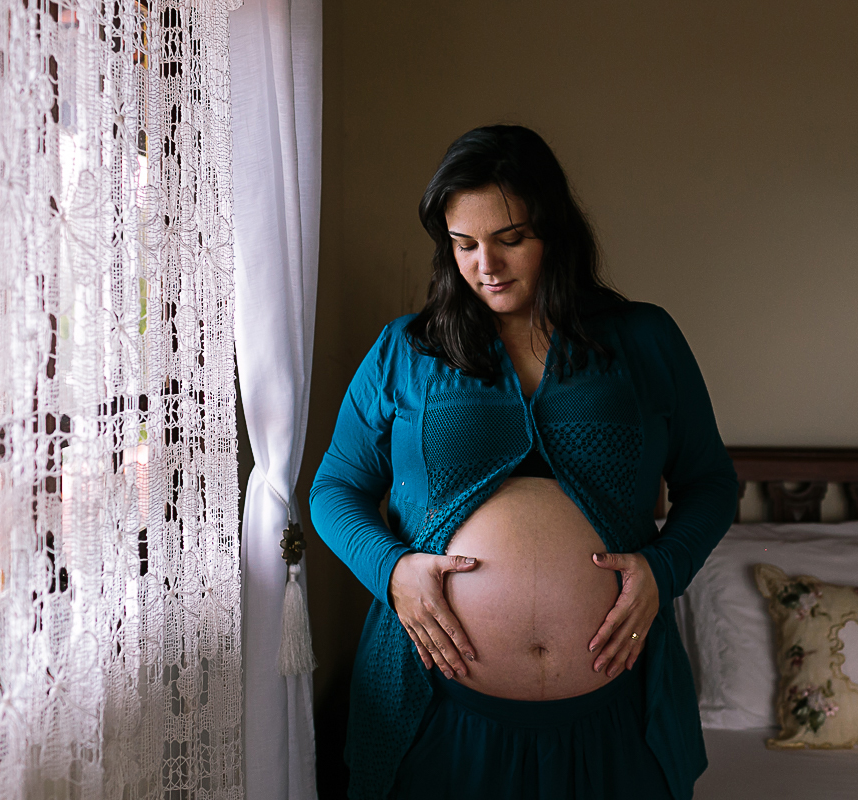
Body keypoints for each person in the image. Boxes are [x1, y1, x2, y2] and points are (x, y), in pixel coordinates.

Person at [309, 125, 738, 800]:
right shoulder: (404, 350)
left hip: (618, 718)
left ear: (556, 234)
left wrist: (666, 567)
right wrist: (392, 571)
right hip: (435, 715)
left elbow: (711, 484)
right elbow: (335, 488)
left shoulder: (644, 339)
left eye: (511, 239)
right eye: (464, 244)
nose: (486, 265)